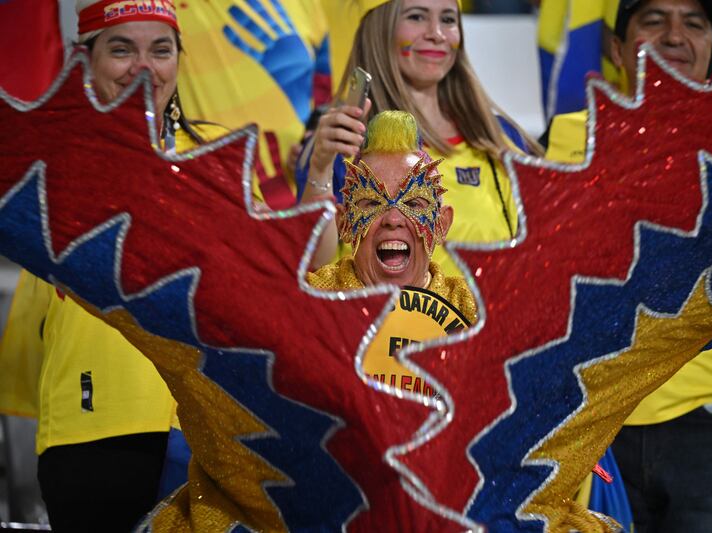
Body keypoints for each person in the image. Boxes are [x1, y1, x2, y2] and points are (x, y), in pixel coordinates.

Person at [0, 1, 261, 530]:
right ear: (84, 58)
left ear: (179, 59)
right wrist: (23, 486)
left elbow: (259, 308)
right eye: (122, 49)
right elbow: (28, 348)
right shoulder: (51, 167)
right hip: (92, 439)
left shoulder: (222, 163)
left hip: (212, 437)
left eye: (160, 50)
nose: (144, 67)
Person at [544, 2, 712, 532]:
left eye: (694, 22)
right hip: (596, 416)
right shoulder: (572, 134)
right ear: (617, 49)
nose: (675, 35)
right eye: (654, 19)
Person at [297, 0, 542, 276]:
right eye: (416, 17)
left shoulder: (501, 137)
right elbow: (316, 267)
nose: (436, 34)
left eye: (448, 20)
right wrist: (320, 166)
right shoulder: (345, 139)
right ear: (380, 27)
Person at [307, 110, 476, 324]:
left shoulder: (475, 309)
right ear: (344, 222)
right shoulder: (313, 300)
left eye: (413, 203)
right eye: (373, 203)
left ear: (441, 224)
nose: (393, 219)